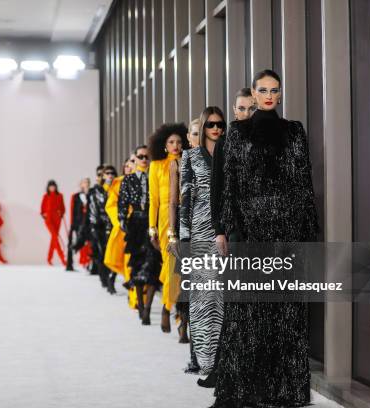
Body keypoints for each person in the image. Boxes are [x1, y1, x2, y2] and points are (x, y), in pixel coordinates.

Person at [208, 69, 319, 408]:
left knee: (285, 312)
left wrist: (309, 231)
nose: (269, 95)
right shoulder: (235, 134)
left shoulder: (294, 131)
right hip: (248, 231)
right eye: (262, 90)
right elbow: (225, 184)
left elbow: (303, 183)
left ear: (280, 94)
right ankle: (245, 391)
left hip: (288, 230)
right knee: (248, 311)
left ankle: (283, 390)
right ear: (253, 95)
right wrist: (222, 229)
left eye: (274, 89)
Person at [179, 107, 227, 376]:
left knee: (222, 295)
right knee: (202, 296)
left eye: (220, 124)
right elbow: (185, 198)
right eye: (211, 125)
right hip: (199, 230)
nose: (216, 129)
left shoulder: (229, 154)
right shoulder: (191, 156)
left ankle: (221, 356)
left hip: (226, 231)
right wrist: (184, 237)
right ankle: (204, 357)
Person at [148, 123, 189, 332]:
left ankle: (173, 310)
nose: (176, 145)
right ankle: (170, 309)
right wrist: (152, 228)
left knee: (181, 269)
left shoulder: (188, 162)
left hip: (188, 217)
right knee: (171, 265)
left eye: (179, 141)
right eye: (171, 142)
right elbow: (153, 200)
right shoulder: (156, 166)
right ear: (163, 145)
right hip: (166, 220)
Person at [119, 146, 162, 325]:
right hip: (135, 223)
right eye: (141, 156)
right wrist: (122, 221)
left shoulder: (155, 176)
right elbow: (122, 202)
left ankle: (148, 308)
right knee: (137, 264)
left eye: (147, 156)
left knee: (153, 265)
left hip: (153, 222)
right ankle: (141, 304)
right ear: (134, 159)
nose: (144, 159)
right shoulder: (128, 180)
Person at [103, 157, 134, 295]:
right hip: (120, 225)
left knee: (131, 258)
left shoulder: (142, 180)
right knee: (118, 254)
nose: (129, 168)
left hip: (137, 224)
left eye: (132, 164)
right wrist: (120, 221)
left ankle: (134, 292)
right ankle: (112, 280)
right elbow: (110, 205)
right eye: (127, 165)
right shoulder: (118, 183)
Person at [88, 165, 115, 287]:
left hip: (114, 224)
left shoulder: (117, 188)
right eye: (107, 173)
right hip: (100, 226)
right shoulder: (96, 190)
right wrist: (93, 226)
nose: (110, 175)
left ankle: (111, 278)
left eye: (112, 173)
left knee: (112, 252)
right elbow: (93, 210)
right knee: (102, 252)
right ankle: (105, 279)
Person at [66, 178, 91, 271]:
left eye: (88, 182)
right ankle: (71, 263)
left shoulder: (91, 194)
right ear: (80, 184)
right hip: (78, 222)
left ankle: (87, 262)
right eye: (84, 182)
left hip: (88, 222)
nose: (86, 184)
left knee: (88, 243)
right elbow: (73, 210)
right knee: (77, 242)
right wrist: (72, 224)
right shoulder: (75, 196)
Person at [40, 180, 66, 266]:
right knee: (55, 237)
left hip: (57, 219)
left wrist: (61, 213)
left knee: (53, 239)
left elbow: (63, 207)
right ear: (48, 187)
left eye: (53, 186)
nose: (52, 188)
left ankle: (49, 258)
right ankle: (62, 258)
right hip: (49, 219)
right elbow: (42, 209)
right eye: (50, 186)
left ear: (55, 187)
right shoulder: (45, 196)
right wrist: (44, 215)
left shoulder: (60, 195)